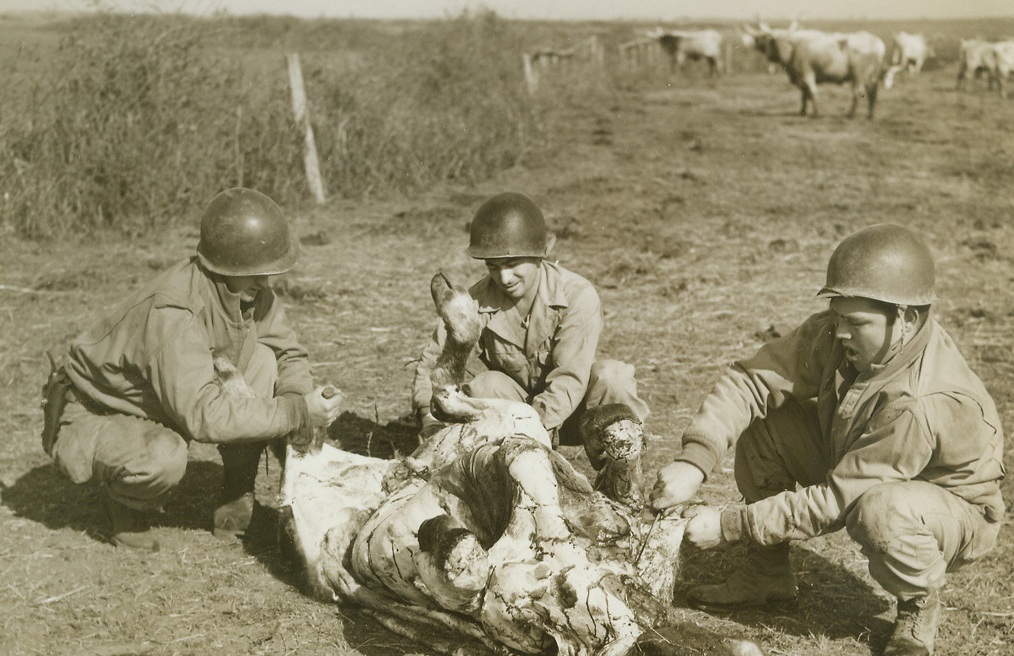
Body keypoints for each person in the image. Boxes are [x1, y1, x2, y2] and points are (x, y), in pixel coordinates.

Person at [649, 224, 1005, 656]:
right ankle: (767, 576)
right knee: (768, 424)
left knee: (881, 509)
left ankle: (917, 608)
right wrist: (694, 462)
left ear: (906, 320)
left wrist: (729, 525)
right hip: (863, 459)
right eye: (837, 317)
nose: (840, 334)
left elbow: (840, 499)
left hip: (950, 509)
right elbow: (751, 380)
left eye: (856, 322)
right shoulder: (842, 335)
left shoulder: (921, 401)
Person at [43, 187, 343, 551]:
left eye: (269, 272)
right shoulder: (175, 313)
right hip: (97, 411)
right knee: (163, 457)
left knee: (263, 360)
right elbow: (206, 416)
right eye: (257, 272)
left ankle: (235, 499)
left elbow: (288, 353)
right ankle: (123, 502)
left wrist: (296, 397)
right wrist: (295, 412)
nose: (266, 282)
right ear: (225, 266)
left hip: (160, 401)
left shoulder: (247, 289)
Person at [411, 191, 649, 470]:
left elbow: (569, 378)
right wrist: (429, 418)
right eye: (493, 266)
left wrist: (537, 429)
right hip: (519, 413)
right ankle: (509, 476)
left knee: (613, 377)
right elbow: (434, 363)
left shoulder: (577, 295)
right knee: (486, 386)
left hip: (579, 415)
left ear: (542, 253)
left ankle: (623, 476)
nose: (504, 278)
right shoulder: (476, 302)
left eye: (513, 264)